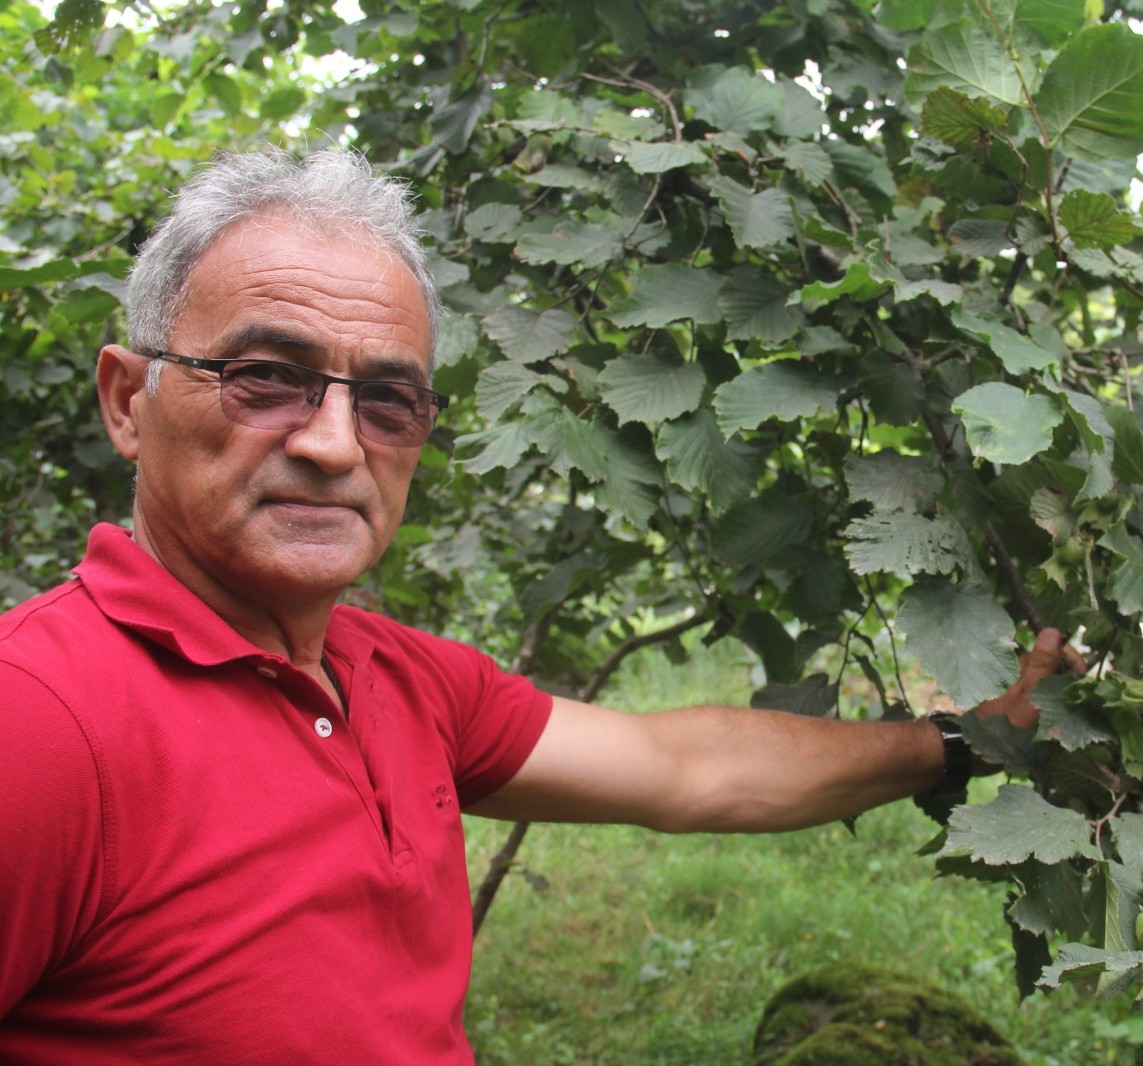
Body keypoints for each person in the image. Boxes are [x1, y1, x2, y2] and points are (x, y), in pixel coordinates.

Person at [0, 147, 1079, 1064]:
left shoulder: (401, 680)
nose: (333, 444)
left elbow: (689, 768)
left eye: (386, 400)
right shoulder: (39, 724)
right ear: (127, 402)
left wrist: (970, 738)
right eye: (265, 377)